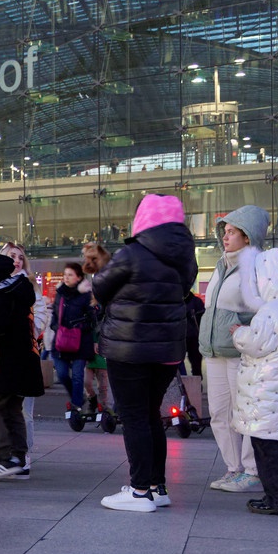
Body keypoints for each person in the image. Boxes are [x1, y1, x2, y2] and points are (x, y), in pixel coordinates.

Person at [91, 194, 197, 512]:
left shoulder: (132, 253)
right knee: (151, 414)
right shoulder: (185, 256)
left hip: (129, 345)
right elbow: (183, 290)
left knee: (135, 415)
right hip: (167, 348)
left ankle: (139, 492)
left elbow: (100, 285)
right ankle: (156, 487)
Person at [200, 205, 269, 494]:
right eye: (224, 232)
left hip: (240, 350)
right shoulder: (220, 265)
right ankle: (233, 468)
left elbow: (265, 309)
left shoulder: (258, 267)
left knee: (244, 413)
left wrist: (243, 326)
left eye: (232, 232)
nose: (225, 237)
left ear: (248, 237)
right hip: (214, 351)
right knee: (218, 412)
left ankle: (252, 471)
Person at [231, 248, 278, 516]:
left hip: (268, 389)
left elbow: (258, 342)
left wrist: (239, 333)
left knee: (266, 448)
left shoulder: (271, 309)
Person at [0, 254, 43, 480]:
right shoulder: (20, 290)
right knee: (13, 408)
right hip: (23, 363)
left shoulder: (0, 295)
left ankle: (3, 458)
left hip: (1, 364)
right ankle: (19, 458)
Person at [51, 263, 98, 415]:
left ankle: (76, 406)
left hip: (80, 342)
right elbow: (54, 314)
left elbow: (93, 318)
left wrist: (78, 327)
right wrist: (55, 326)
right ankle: (78, 398)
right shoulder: (60, 293)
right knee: (62, 374)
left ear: (78, 277)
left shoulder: (86, 296)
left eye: (70, 274)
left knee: (78, 376)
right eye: (65, 274)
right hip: (61, 340)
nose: (66, 277)